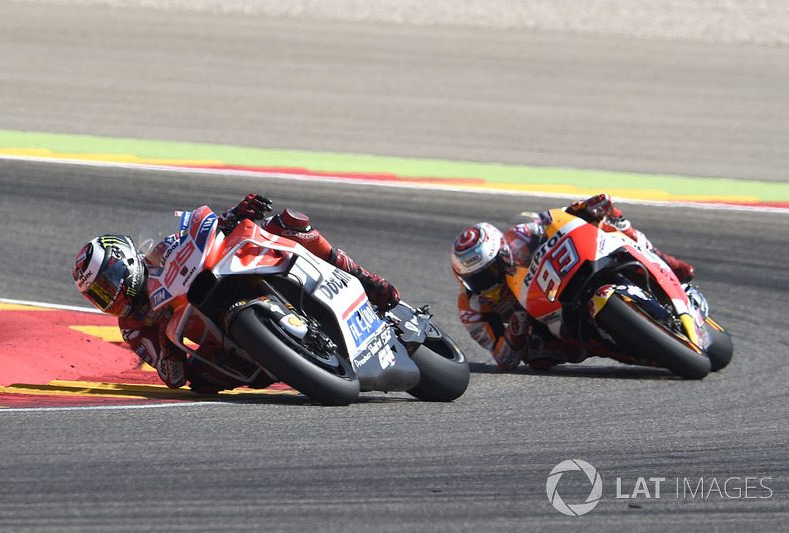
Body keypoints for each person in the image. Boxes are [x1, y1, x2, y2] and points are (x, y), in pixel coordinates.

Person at [72, 193, 400, 392]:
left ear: (126, 262)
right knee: (200, 382)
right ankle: (278, 360)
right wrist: (165, 339)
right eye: (98, 295)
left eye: (106, 283)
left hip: (228, 273)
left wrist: (236, 213)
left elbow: (203, 230)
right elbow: (172, 376)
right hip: (222, 337)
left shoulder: (160, 249)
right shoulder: (132, 327)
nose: (108, 296)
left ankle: (363, 278)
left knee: (285, 223)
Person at [450, 193, 696, 371]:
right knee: (538, 357)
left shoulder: (520, 235)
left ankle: (661, 258)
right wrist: (514, 335)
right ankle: (617, 346)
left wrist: (584, 208)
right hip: (543, 318)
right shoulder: (470, 308)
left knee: (609, 220)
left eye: (489, 272)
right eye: (474, 279)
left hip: (562, 274)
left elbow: (553, 219)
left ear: (503, 255)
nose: (485, 284)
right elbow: (503, 358)